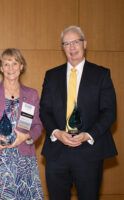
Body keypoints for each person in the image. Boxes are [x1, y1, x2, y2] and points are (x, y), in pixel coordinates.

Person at [40, 26, 117, 200]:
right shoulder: (51, 75)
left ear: (85, 44)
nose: (72, 47)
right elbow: (44, 110)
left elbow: (109, 112)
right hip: (57, 150)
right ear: (63, 48)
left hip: (89, 151)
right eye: (67, 43)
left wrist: (87, 135)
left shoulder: (101, 74)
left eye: (75, 42)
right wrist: (57, 133)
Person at [0, 48, 44, 200]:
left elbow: (38, 125)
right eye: (6, 64)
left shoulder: (32, 94)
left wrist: (27, 136)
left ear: (21, 66)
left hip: (24, 161)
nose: (11, 68)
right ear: (1, 68)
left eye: (15, 63)